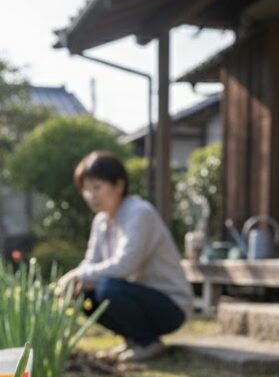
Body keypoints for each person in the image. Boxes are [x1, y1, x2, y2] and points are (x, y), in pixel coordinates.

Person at [57, 151, 193, 362]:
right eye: (86, 189)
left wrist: (77, 275)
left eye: (97, 187)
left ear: (119, 185)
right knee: (83, 293)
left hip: (170, 305)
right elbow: (91, 262)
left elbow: (124, 266)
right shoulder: (101, 221)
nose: (91, 195)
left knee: (108, 288)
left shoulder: (139, 213)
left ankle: (148, 342)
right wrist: (74, 281)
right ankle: (133, 340)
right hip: (138, 297)